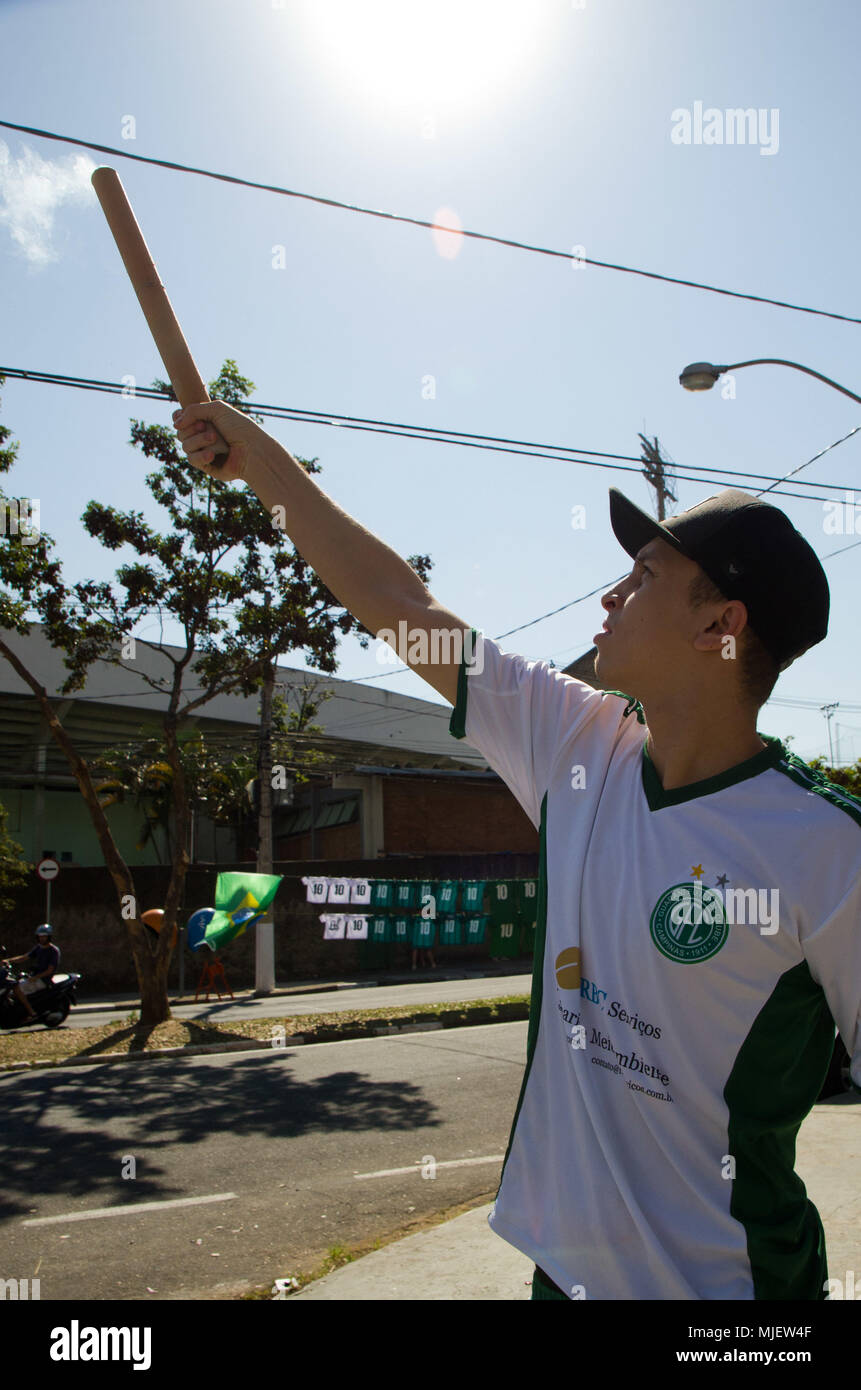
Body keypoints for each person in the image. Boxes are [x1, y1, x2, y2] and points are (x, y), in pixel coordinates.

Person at [172, 400, 861, 1301]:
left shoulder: (825, 849)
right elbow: (402, 608)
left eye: (643, 576)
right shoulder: (578, 746)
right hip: (563, 1280)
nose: (610, 594)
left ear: (717, 628)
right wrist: (254, 459)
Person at [4, 924, 60, 1023]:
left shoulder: (53, 951)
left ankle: (32, 1013)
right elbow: (24, 957)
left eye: (44, 936)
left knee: (17, 989)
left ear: (49, 937)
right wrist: (8, 960)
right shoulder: (38, 948)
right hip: (34, 977)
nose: (42, 939)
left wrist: (36, 977)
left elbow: (50, 970)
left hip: (43, 980)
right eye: (40, 936)